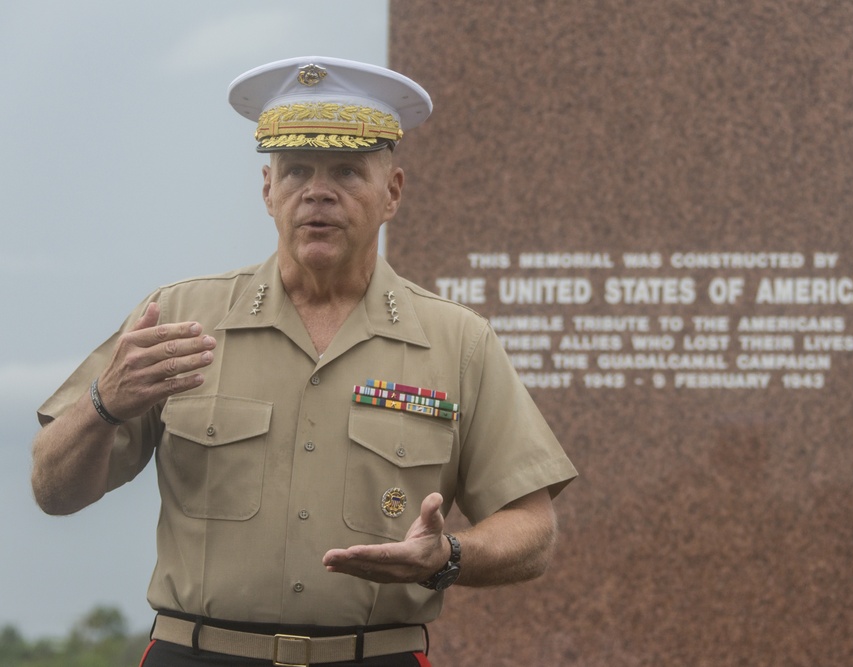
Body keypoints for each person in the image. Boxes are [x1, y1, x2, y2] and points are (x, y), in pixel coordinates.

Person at [31, 56, 577, 667]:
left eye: (347, 169)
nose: (318, 191)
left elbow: (533, 529)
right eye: (295, 170)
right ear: (267, 190)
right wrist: (103, 405)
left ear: (392, 192)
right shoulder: (177, 318)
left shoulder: (458, 342)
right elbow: (53, 490)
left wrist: (448, 556)